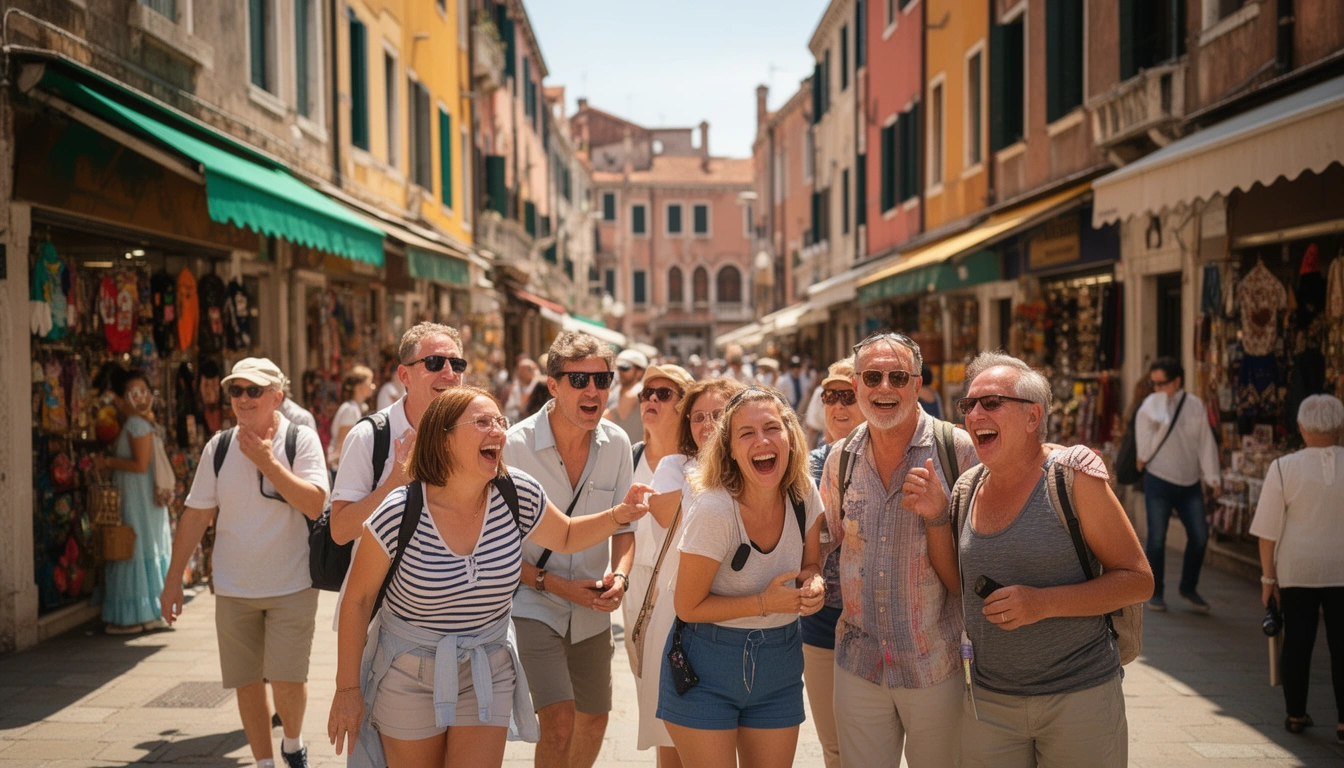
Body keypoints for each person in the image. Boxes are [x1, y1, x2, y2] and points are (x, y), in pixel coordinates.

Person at [325, 387, 653, 768]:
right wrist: (347, 689)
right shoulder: (398, 512)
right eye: (482, 422)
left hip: (487, 667)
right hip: (408, 674)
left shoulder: (517, 492)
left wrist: (619, 515)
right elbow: (358, 601)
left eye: (500, 421)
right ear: (443, 438)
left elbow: (565, 535)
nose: (498, 431)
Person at [938, 351, 1152, 767]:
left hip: (1080, 697)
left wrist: (1043, 603)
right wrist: (933, 516)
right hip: (989, 704)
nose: (976, 413)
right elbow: (955, 585)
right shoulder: (966, 488)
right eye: (969, 404)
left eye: (992, 402)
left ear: (1033, 416)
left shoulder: (1073, 479)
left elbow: (1138, 580)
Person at [161, 358, 329, 768]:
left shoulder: (300, 440)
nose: (243, 398)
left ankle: (292, 740)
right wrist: (172, 581)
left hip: (293, 584)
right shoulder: (217, 447)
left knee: (289, 681)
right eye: (236, 390)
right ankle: (264, 762)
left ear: (277, 397)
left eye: (254, 390)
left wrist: (268, 463)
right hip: (235, 588)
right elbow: (196, 515)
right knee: (247, 683)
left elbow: (315, 502)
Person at [817, 332, 975, 767]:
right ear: (856, 383)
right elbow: (824, 541)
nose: (884, 388)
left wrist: (938, 515)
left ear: (917, 384)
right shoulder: (840, 458)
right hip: (859, 662)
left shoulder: (956, 451)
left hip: (935, 664)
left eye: (898, 377)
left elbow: (972, 571)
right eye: (873, 376)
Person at [656, 386, 825, 767]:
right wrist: (765, 603)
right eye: (746, 433)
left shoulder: (803, 492)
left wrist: (813, 583)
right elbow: (687, 605)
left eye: (771, 428)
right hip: (706, 668)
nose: (762, 441)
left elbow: (811, 565)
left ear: (791, 437)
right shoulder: (714, 508)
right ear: (729, 449)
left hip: (780, 665)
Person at [504, 332, 636, 768]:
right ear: (554, 385)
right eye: (579, 380)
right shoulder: (514, 446)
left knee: (594, 720)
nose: (593, 390)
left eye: (602, 379)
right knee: (559, 722)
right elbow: (494, 548)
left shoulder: (616, 444)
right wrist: (554, 583)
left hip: (592, 609)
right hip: (532, 599)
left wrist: (619, 578)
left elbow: (625, 529)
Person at [1249, 394, 1344, 740]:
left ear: (1301, 428)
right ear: (1340, 429)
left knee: (1298, 643)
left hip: (1297, 569)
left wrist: (1267, 578)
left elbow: (1267, 532)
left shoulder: (1283, 468)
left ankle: (1295, 714)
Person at [329, 323, 466, 548]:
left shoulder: (473, 432)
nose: (449, 373)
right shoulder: (369, 437)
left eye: (457, 364)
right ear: (405, 375)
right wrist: (394, 483)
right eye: (434, 363)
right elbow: (341, 530)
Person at [619, 363, 695, 766]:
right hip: (637, 598)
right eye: (647, 392)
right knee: (657, 715)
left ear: (683, 406)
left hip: (685, 595)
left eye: (664, 394)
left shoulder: (697, 463)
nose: (650, 399)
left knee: (684, 715)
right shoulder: (626, 457)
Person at [802, 357, 861, 768]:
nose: (838, 406)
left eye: (849, 396)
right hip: (821, 626)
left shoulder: (903, 459)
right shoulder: (805, 467)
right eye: (830, 396)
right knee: (836, 748)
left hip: (884, 628)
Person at [1136, 357, 1221, 612]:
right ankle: (1155, 592)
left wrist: (1213, 477)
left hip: (1190, 483)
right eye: (1154, 383)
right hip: (1158, 480)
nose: (1157, 389)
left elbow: (1205, 443)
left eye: (1162, 383)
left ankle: (1188, 586)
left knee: (1199, 536)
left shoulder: (1194, 405)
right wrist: (1160, 419)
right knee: (1157, 539)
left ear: (1177, 382)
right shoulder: (1148, 408)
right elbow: (1144, 452)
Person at [92, 368, 172, 634]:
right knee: (144, 548)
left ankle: (131, 618)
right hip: (144, 500)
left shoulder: (137, 424)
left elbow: (139, 465)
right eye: (134, 393)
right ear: (122, 399)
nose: (141, 397)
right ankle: (147, 613)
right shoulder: (143, 423)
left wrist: (108, 461)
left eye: (145, 392)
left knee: (131, 549)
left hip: (137, 500)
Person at [328, 365, 376, 473]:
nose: (373, 386)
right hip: (341, 470)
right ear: (359, 386)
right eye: (369, 382)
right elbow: (342, 445)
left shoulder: (356, 408)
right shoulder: (350, 410)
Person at [603, 348, 648, 442]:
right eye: (619, 368)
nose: (620, 372)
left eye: (625, 368)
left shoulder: (639, 391)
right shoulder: (616, 390)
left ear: (639, 372)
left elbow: (608, 417)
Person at [505, 358, 541, 423]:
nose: (519, 373)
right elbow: (516, 406)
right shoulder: (516, 387)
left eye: (523, 370)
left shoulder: (540, 386)